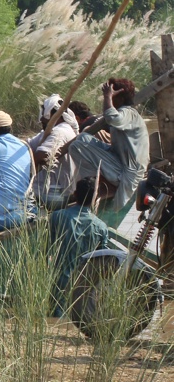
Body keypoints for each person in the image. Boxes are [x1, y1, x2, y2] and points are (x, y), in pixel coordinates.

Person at [64, 79, 149, 212]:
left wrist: (107, 96)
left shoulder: (129, 113)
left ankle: (95, 187)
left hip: (128, 172)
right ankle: (95, 184)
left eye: (112, 96)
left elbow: (111, 118)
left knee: (76, 146)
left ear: (120, 97)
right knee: (82, 139)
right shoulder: (125, 113)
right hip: (118, 162)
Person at [48, 177, 111, 311]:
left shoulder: (57, 216)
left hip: (60, 284)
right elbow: (103, 261)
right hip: (86, 288)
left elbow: (46, 249)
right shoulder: (101, 227)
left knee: (56, 318)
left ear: (75, 194)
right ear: (95, 198)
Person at [28, 94, 80, 208]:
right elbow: (28, 145)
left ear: (54, 114)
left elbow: (41, 157)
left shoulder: (60, 132)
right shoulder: (51, 131)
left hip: (55, 192)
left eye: (44, 113)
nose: (41, 118)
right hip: (53, 191)